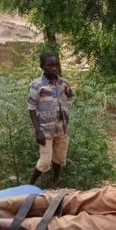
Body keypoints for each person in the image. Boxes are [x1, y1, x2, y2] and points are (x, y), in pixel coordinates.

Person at [28, 52, 76, 187]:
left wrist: (65, 107)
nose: (54, 68)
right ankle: (29, 185)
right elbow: (31, 106)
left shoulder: (63, 83)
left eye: (56, 65)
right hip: (45, 130)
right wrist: (37, 130)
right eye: (50, 65)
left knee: (59, 159)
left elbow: (72, 96)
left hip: (61, 128)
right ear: (42, 66)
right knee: (45, 161)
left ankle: (55, 184)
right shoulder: (37, 85)